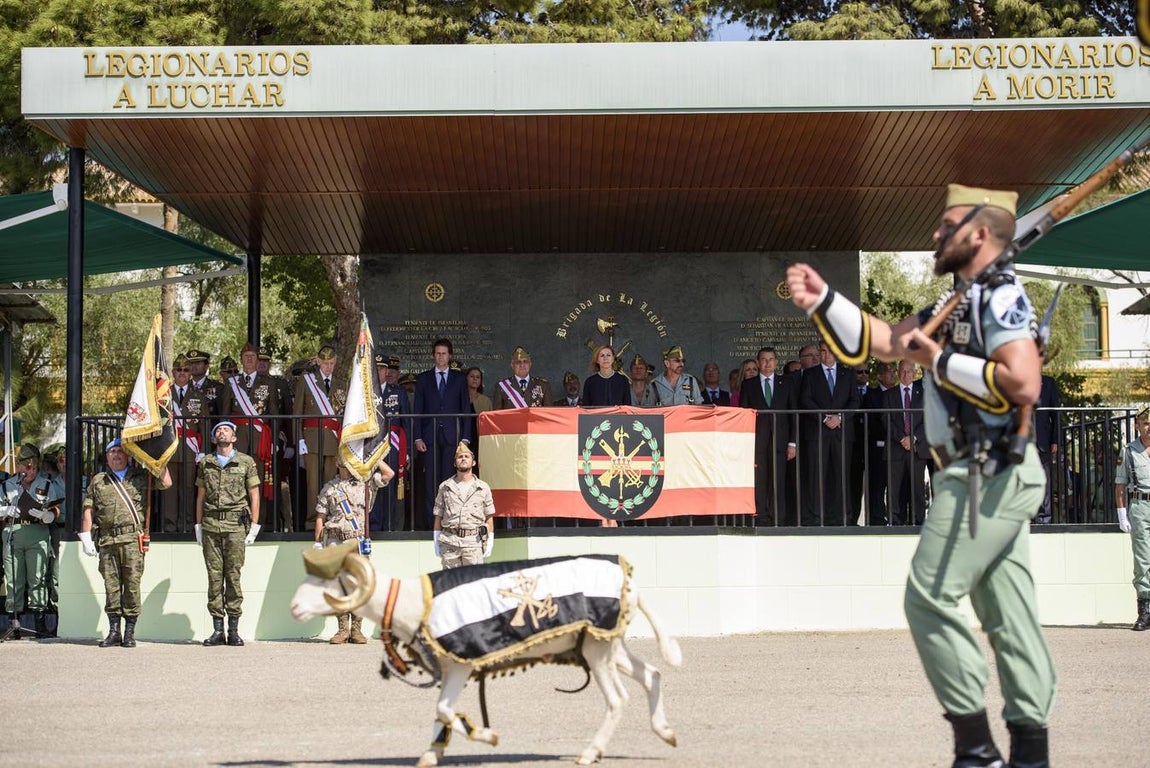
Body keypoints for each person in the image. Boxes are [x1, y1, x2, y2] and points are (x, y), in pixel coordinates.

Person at [787, 183, 1053, 766]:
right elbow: (888, 343)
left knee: (928, 598)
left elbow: (1023, 381)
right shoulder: (955, 302)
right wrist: (825, 299)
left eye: (947, 224)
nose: (936, 233)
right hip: (983, 471)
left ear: (979, 234)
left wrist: (939, 360)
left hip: (987, 470)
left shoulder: (999, 297)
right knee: (1009, 618)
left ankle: (976, 749)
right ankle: (1031, 754)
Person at [79, 438, 172, 648]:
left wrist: (159, 460)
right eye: (112, 451)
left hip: (131, 540)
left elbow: (167, 483)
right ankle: (114, 631)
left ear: (128, 455)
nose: (116, 455)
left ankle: (129, 631)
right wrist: (85, 537)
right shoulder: (99, 480)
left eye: (120, 451)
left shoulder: (141, 477)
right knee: (111, 586)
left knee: (131, 586)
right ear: (106, 456)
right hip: (107, 540)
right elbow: (88, 509)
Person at [195, 421, 262, 647]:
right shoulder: (206, 462)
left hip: (235, 526)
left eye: (226, 430)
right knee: (214, 578)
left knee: (233, 576)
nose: (221, 432)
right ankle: (217, 630)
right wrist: (198, 525)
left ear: (234, 438)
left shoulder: (245, 462)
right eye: (218, 430)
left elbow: (254, 494)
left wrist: (254, 526)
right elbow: (200, 495)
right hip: (211, 525)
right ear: (214, 438)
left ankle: (233, 630)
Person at [314, 456, 394, 643]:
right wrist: (317, 544)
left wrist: (374, 458)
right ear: (337, 463)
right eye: (342, 457)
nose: (345, 461)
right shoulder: (329, 488)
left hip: (357, 541)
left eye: (349, 456)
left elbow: (389, 474)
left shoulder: (366, 484)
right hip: (335, 540)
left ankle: (356, 629)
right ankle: (342, 630)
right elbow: (320, 517)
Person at [0, 443, 64, 639]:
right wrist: (4, 510)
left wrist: (49, 515)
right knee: (13, 579)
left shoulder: (46, 484)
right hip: (13, 532)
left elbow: (55, 508)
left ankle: (40, 622)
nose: (31, 471)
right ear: (19, 466)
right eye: (27, 467)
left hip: (38, 532)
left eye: (34, 468)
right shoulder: (7, 485)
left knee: (37, 577)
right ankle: (14, 622)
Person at [798, 341, 860, 525]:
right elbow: (806, 400)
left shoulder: (848, 374)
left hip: (842, 432)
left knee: (842, 475)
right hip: (818, 432)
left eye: (831, 351)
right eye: (823, 351)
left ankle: (842, 517)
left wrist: (840, 417)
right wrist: (825, 418)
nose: (827, 355)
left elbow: (855, 401)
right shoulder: (810, 374)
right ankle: (816, 517)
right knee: (817, 476)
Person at [414, 339, 472, 530]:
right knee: (431, 481)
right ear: (433, 355)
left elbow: (465, 409)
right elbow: (417, 410)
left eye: (444, 353)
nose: (441, 357)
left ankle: (450, 520)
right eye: (438, 353)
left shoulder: (459, 379)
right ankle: (432, 523)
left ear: (450, 356)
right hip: (429, 437)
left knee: (451, 479)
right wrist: (417, 437)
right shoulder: (423, 378)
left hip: (452, 437)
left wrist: (465, 438)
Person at [740, 347, 797, 525]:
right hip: (757, 441)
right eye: (764, 359)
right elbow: (744, 415)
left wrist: (793, 443)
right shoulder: (749, 385)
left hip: (780, 440)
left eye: (771, 359)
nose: (767, 363)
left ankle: (778, 517)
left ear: (776, 362)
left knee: (778, 479)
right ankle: (761, 516)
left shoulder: (786, 383)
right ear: (758, 363)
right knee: (760, 478)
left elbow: (793, 414)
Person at [294, 345, 345, 528]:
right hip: (312, 439)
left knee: (331, 482)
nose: (328, 367)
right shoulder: (307, 380)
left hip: (333, 438)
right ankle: (312, 520)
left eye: (331, 363)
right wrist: (299, 438)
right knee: (313, 483)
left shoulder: (341, 383)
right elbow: (297, 412)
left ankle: (330, 519)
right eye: (325, 363)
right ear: (318, 361)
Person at [432, 442, 495, 569]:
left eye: (467, 457)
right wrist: (436, 539)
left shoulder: (482, 487)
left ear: (473, 462)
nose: (463, 459)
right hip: (450, 543)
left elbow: (489, 517)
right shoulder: (445, 487)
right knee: (451, 580)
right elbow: (438, 516)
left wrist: (490, 540)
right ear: (455, 463)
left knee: (473, 580)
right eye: (460, 457)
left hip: (473, 543)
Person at [1116, 406, 1150, 632]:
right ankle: (1145, 611)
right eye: (1145, 423)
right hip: (1140, 506)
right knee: (1143, 560)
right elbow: (1120, 484)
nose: (1149, 427)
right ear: (1137, 425)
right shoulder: (1128, 451)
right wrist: (1122, 514)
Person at [884, 360, 929, 525]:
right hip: (896, 446)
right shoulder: (888, 395)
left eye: (909, 371)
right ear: (897, 372)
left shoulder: (923, 394)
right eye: (902, 371)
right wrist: (902, 438)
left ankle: (918, 521)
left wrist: (914, 437)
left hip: (917, 448)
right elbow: (886, 420)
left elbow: (928, 420)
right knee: (894, 487)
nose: (905, 374)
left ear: (915, 373)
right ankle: (894, 521)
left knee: (917, 488)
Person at [372, 354, 412, 532]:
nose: (379, 372)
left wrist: (407, 450)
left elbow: (406, 422)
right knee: (373, 485)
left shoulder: (398, 392)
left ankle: (390, 526)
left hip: (394, 446)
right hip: (372, 446)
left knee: (392, 486)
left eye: (382, 368)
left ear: (387, 371)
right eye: (376, 368)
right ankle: (374, 526)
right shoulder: (366, 393)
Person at [863, 361, 898, 525]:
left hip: (898, 446)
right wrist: (889, 434)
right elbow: (872, 422)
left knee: (898, 484)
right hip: (878, 447)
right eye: (889, 371)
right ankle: (877, 519)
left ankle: (897, 517)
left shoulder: (900, 393)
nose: (893, 374)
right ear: (879, 376)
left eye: (894, 371)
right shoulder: (870, 395)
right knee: (877, 484)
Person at [1034, 374, 1062, 524]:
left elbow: (1055, 413)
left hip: (1042, 441)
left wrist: (1055, 440)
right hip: (1020, 439)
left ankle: (1043, 519)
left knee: (1043, 480)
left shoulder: (1048, 382)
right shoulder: (1016, 378)